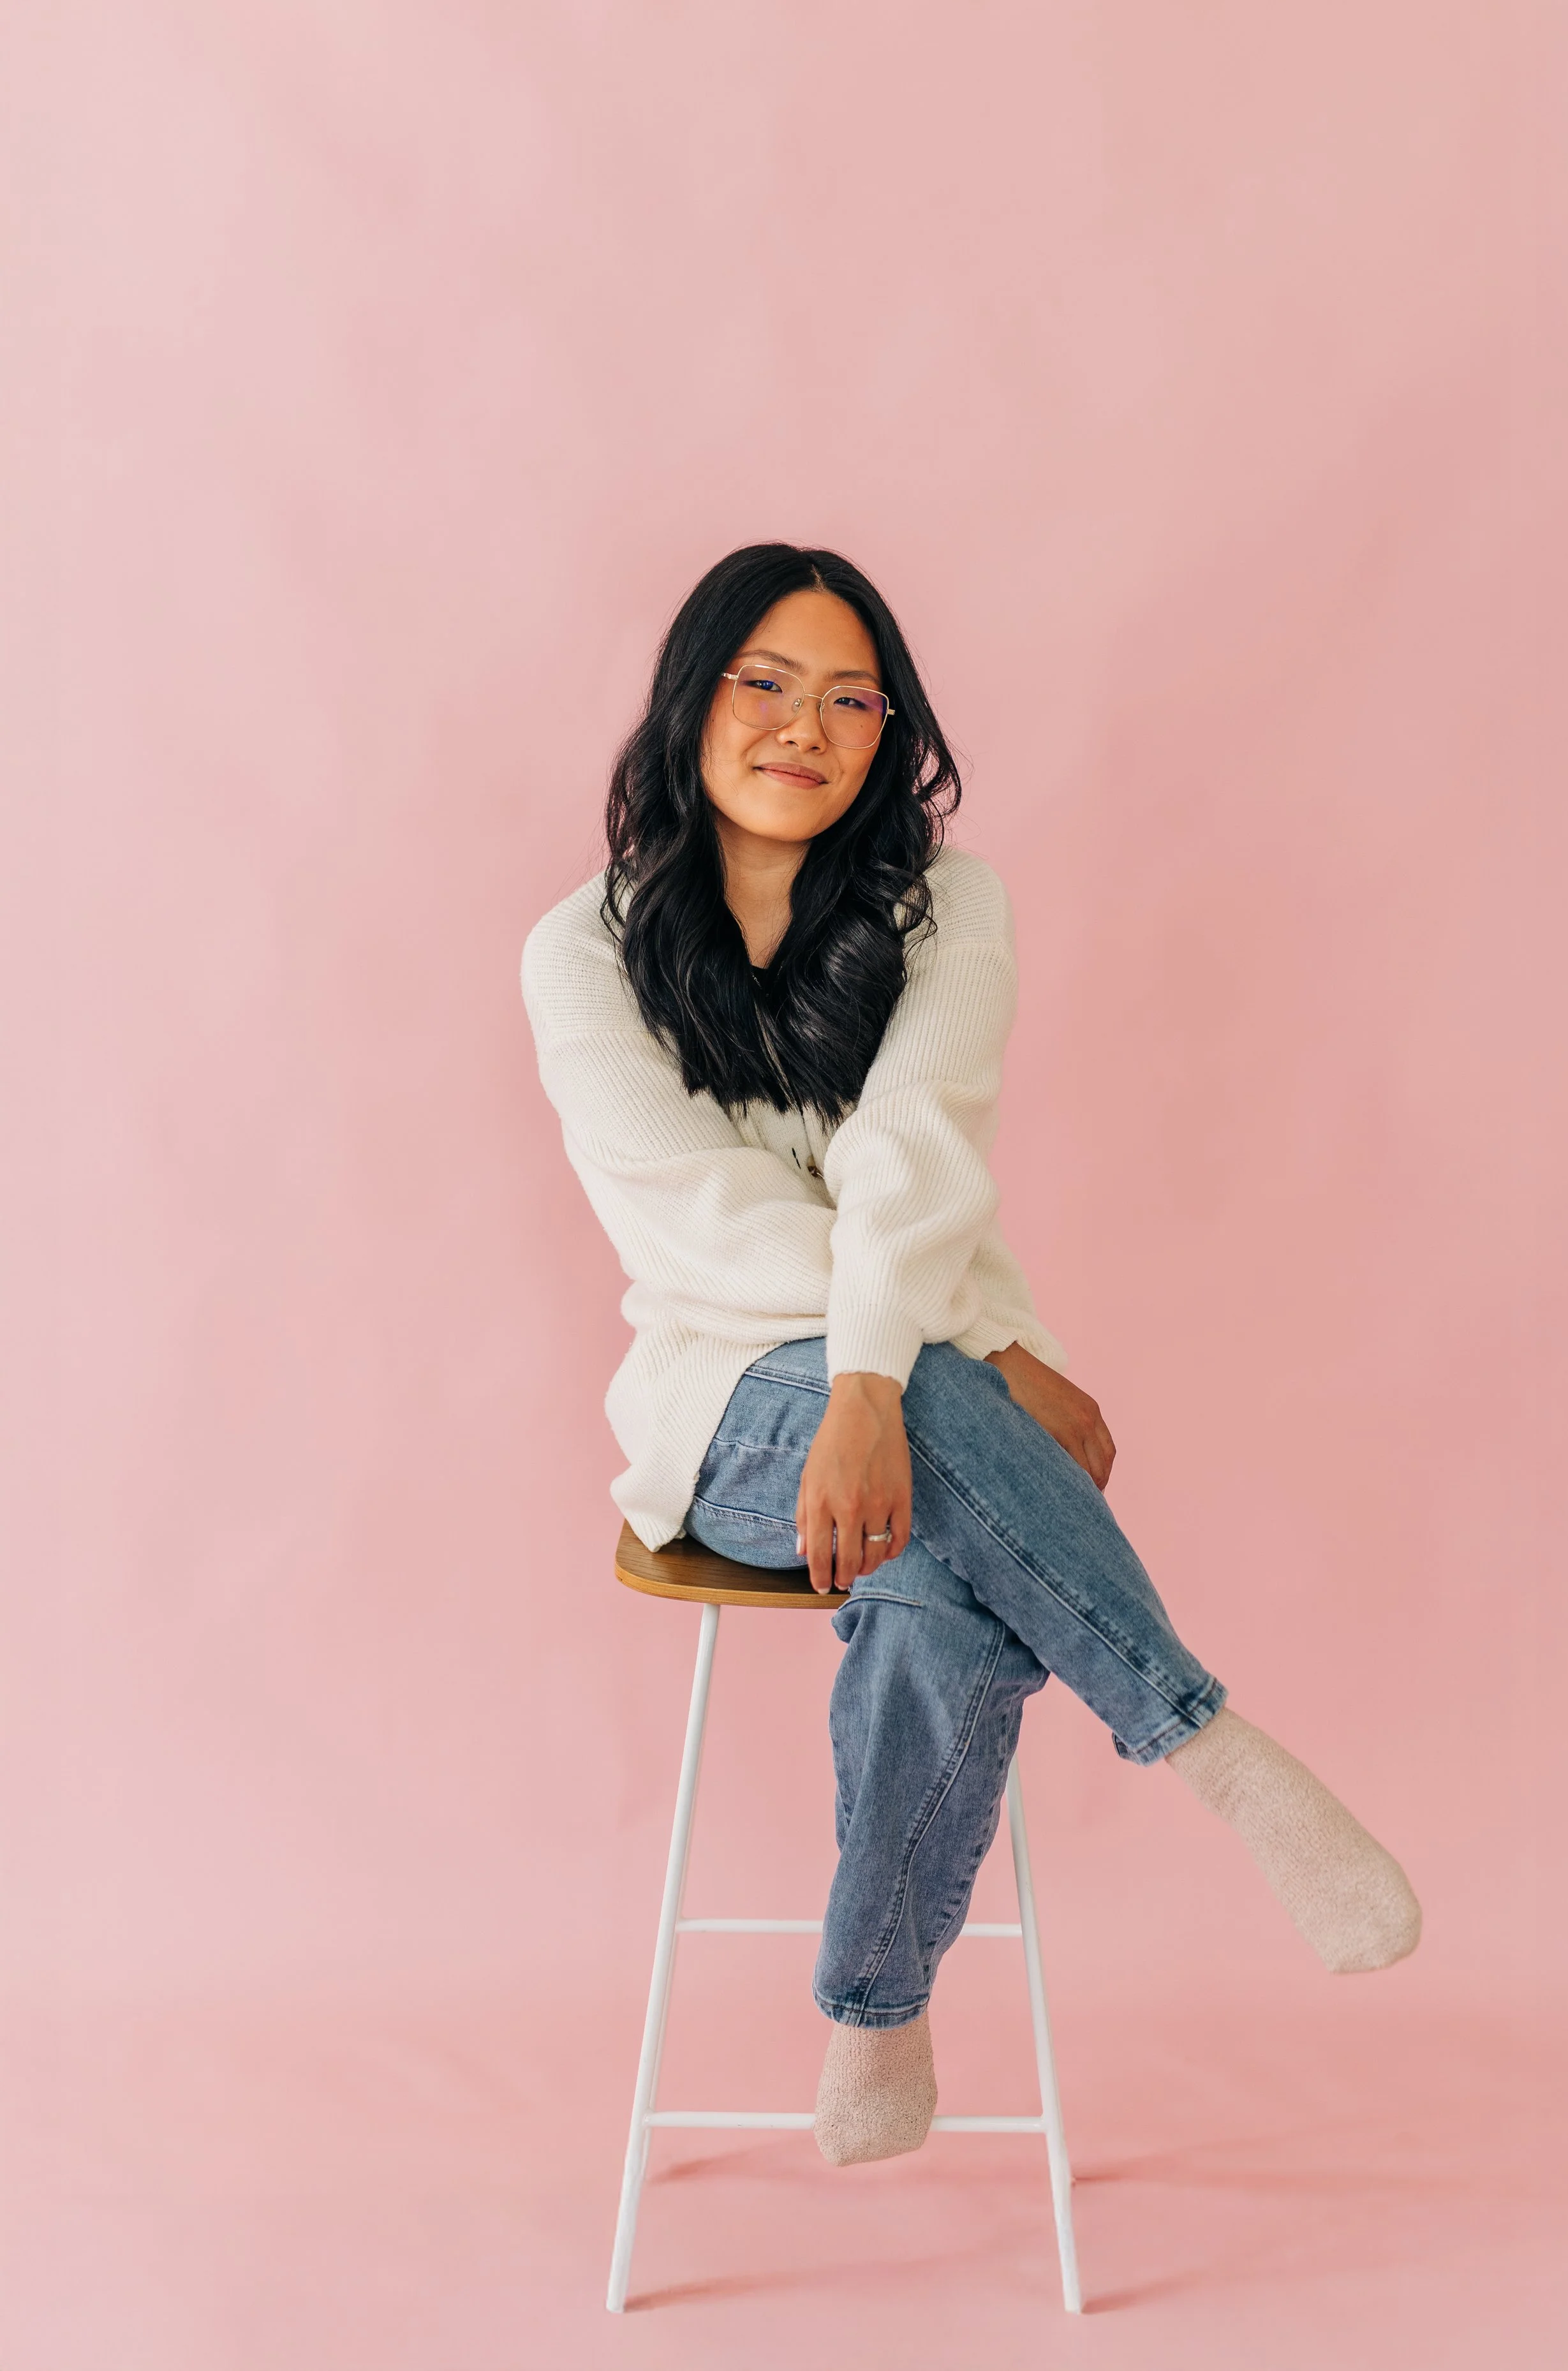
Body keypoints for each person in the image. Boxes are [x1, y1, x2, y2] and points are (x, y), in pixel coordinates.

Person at [521, 542, 1421, 2168]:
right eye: (765, 683)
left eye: (850, 697)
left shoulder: (950, 907)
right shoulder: (579, 951)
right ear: (691, 701)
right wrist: (958, 1352)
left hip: (908, 1404)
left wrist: (881, 1382)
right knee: (940, 1404)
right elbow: (701, 1230)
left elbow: (914, 1155)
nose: (807, 724)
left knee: (942, 1574)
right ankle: (1215, 1753)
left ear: (889, 729)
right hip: (715, 1408)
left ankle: (874, 2006)